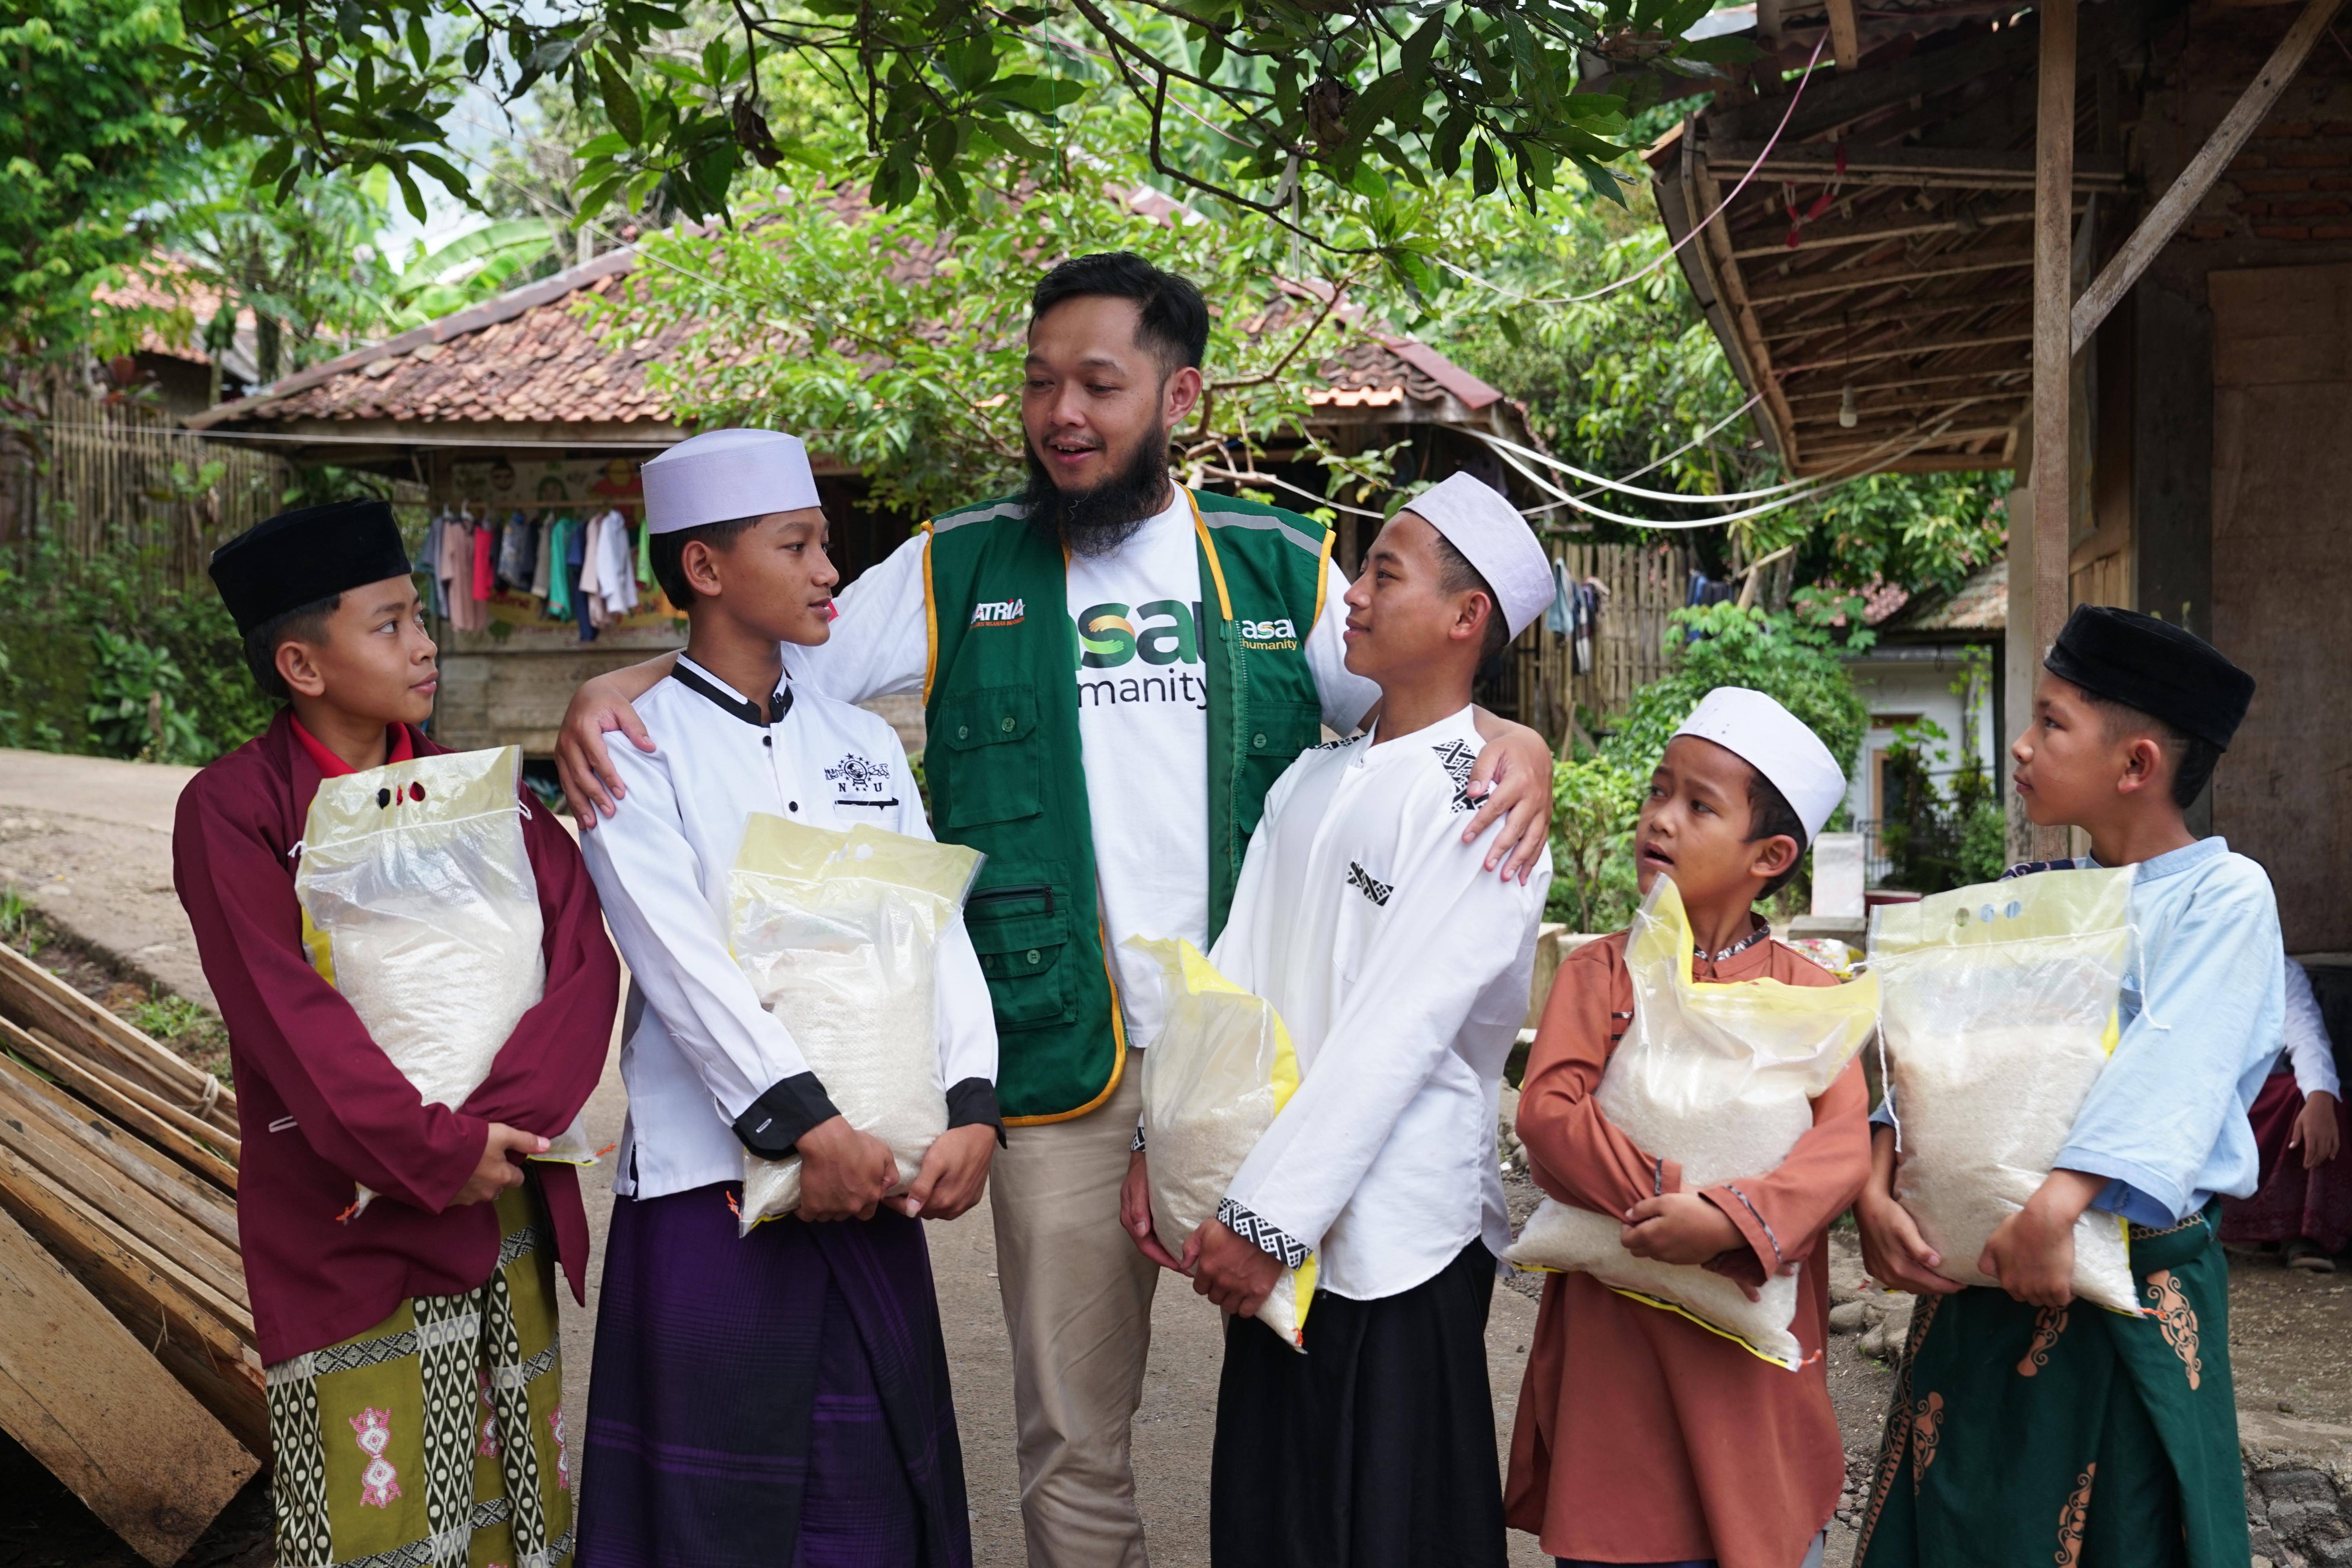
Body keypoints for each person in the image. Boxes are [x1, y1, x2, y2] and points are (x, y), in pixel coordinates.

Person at [552, 253, 1558, 1566]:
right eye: (1039, 384)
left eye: (1099, 384)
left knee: (1303, 1419)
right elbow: (764, 657)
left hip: (1257, 1080)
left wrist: (1522, 741)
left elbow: (1416, 709)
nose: (1062, 415)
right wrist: (617, 684)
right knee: (1075, 1441)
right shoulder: (955, 567)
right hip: (1056, 1067)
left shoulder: (1278, 570)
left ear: (1179, 396)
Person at [570, 428, 1000, 1568]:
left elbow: (930, 924)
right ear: (705, 567)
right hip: (712, 1183)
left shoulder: (863, 742)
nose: (828, 570)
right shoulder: (634, 747)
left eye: (824, 543)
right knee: (707, 1515)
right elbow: (678, 961)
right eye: (797, 544)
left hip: (875, 1172)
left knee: (869, 1498)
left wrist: (971, 1104)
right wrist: (807, 1126)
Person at [174, 499, 619, 1568]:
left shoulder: (482, 796)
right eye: (389, 625)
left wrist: (500, 1128)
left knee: (517, 1516)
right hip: (346, 1222)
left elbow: (581, 956)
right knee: (373, 1529)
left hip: (502, 1196)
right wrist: (435, 1148)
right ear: (302, 665)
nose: (425, 644)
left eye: (419, 616)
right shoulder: (235, 811)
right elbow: (285, 1017)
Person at [1121, 472, 1553, 1567]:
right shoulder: (1311, 781)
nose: (1350, 596)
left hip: (1395, 1239)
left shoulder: (1478, 803)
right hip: (1274, 1222)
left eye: (1383, 575)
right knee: (1276, 1525)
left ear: (1465, 618)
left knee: (1391, 1530)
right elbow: (1231, 989)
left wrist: (1266, 1222)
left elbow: (1398, 1033)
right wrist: (1162, 1148)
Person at [1854, 604, 2279, 1568]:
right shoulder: (2035, 896)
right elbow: (1930, 1052)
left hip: (2125, 1293)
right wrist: (1876, 1188)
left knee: (2123, 1528)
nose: (2022, 743)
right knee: (1964, 1522)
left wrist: (2055, 1207)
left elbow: (2174, 1062)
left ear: (2136, 764)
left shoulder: (2223, 896)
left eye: (2051, 722)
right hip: (1978, 1279)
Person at [1507, 685, 1862, 1568]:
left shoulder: (1814, 996)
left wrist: (1732, 1222)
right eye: (1659, 792)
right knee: (1622, 1523)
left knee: (1758, 1517)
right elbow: (1549, 1113)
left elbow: (1841, 1148)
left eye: (1699, 805)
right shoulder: (1602, 974)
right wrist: (1668, 1201)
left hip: (1749, 1361)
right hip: (1616, 1355)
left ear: (1770, 855)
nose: (1660, 818)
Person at [2218, 953, 2347, 1270]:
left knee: (2318, 1101)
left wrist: (2319, 1095)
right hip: (2191, 1097)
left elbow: (2306, 1034)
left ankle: (2302, 1233)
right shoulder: (2176, 958)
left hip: (2255, 1100)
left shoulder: (2278, 969)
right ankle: (2195, 1226)